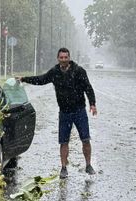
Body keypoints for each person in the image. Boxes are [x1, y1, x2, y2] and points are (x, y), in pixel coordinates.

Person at [17, 47, 97, 177]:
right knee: (63, 141)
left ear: (69, 58)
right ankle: (64, 168)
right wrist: (24, 79)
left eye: (66, 57)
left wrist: (92, 104)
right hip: (64, 112)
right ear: (58, 58)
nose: (64, 60)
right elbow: (41, 80)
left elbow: (88, 88)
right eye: (61, 58)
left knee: (85, 139)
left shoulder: (79, 71)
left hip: (79, 111)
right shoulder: (54, 72)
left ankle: (88, 165)